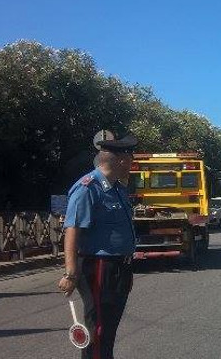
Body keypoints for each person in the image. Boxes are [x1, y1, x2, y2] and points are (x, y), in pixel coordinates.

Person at [58, 134, 137, 359]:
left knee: (109, 329)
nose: (132, 163)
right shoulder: (88, 188)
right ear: (120, 160)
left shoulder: (117, 189)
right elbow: (72, 230)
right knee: (99, 329)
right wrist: (71, 274)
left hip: (120, 267)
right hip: (100, 267)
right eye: (130, 158)